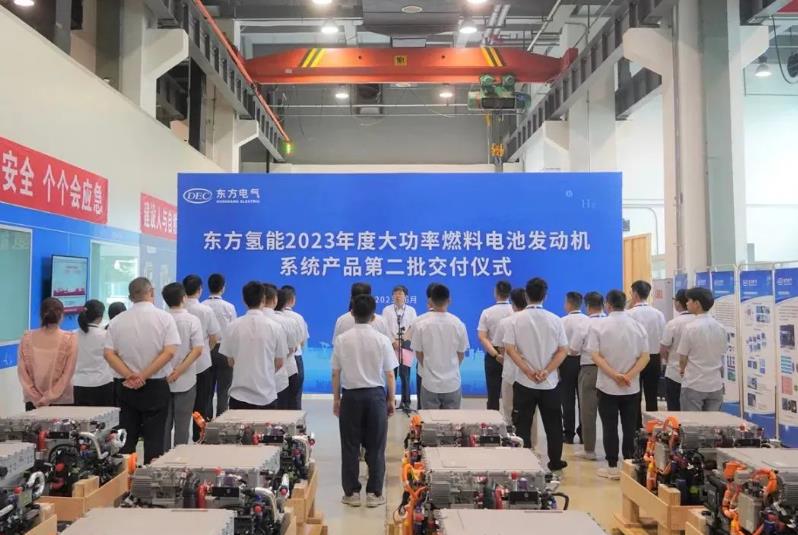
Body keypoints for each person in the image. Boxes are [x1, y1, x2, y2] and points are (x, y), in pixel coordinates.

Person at [104, 277, 180, 463]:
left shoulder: (117, 321)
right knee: (155, 440)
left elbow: (108, 353)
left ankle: (125, 477)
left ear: (130, 297)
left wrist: (130, 376)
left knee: (125, 440)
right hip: (156, 386)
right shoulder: (164, 318)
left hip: (126, 386)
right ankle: (150, 477)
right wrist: (144, 376)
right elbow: (169, 352)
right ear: (151, 292)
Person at [332, 294, 397, 508]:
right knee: (376, 446)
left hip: (350, 397)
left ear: (352, 313)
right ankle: (374, 494)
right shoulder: (382, 340)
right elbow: (390, 374)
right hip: (375, 396)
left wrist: (336, 399)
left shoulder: (342, 339)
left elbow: (335, 372)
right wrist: (390, 400)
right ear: (373, 315)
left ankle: (351, 493)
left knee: (350, 446)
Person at [503, 277, 568, 472]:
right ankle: (555, 461)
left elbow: (510, 349)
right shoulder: (555, 320)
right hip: (550, 382)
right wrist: (547, 371)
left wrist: (527, 371)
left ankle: (525, 462)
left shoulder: (514, 320)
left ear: (526, 295)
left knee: (522, 424)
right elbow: (563, 350)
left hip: (524, 381)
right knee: (554, 424)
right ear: (545, 296)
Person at [586, 289, 649, 480]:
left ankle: (612, 466)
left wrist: (614, 375)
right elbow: (645, 357)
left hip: (607, 386)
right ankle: (629, 465)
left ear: (608, 304)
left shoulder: (599, 326)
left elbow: (595, 355)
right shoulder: (638, 326)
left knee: (609, 427)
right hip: (631, 386)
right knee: (630, 427)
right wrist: (628, 375)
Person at [219, 281, 288, 410]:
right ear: (263, 299)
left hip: (239, 395)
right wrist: (264, 370)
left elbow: (230, 361)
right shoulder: (275, 327)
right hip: (266, 394)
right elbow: (279, 362)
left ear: (244, 300)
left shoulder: (232, 326)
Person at [493, 288, 539, 450]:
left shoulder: (506, 322)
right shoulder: (538, 322)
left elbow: (501, 348)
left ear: (512, 304)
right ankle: (532, 447)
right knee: (531, 413)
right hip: (532, 374)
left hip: (510, 373)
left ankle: (512, 447)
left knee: (508, 412)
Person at [411, 284, 468, 410]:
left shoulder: (421, 325)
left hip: (429, 382)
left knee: (430, 420)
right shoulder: (458, 324)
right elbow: (461, 353)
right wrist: (452, 368)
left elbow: (418, 353)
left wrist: (428, 367)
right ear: (449, 300)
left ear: (431, 301)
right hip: (452, 382)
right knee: (452, 420)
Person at [162, 282, 203, 449]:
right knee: (183, 426)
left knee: (163, 426)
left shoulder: (161, 319)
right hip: (186, 379)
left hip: (162, 378)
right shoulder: (192, 320)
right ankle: (179, 458)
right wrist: (178, 371)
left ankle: (162, 458)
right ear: (184, 298)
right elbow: (197, 350)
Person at [18, 298, 78, 410]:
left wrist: (36, 397)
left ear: (41, 315)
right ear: (61, 316)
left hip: (33, 402)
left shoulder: (26, 338)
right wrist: (49, 397)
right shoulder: (70, 339)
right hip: (61, 400)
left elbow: (23, 373)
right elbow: (67, 373)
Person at [183, 275, 221, 441]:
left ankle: (179, 439)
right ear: (199, 290)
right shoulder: (205, 310)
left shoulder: (177, 310)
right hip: (202, 362)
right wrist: (207, 349)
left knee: (180, 404)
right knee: (202, 402)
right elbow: (214, 336)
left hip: (180, 364)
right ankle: (198, 437)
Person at [568, 291, 604, 460]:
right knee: (610, 413)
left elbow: (574, 349)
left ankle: (590, 450)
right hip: (610, 371)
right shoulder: (609, 322)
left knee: (588, 411)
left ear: (587, 306)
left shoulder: (585, 324)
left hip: (589, 369)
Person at [677, 287, 727, 411]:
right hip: (715, 385)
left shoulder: (690, 328)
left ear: (697, 304)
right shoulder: (720, 327)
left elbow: (683, 357)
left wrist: (682, 370)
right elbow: (722, 352)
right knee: (712, 422)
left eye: (689, 300)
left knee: (692, 422)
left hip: (694, 383)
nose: (686, 303)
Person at [628, 280, 666, 428]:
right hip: (654, 358)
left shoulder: (629, 314)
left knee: (634, 396)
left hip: (635, 359)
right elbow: (662, 337)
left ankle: (636, 428)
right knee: (652, 396)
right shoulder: (658, 314)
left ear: (635, 294)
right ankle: (653, 429)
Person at [202, 273, 237, 416]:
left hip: (207, 349)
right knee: (224, 390)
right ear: (223, 288)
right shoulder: (229, 307)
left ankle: (206, 422)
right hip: (224, 350)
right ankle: (221, 421)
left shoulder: (202, 306)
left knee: (207, 390)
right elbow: (233, 331)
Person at [477, 280, 513, 411]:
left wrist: (496, 355)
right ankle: (513, 421)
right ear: (509, 293)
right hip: (514, 355)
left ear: (495, 293)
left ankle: (493, 421)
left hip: (494, 355)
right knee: (514, 394)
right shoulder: (515, 312)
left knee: (493, 395)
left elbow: (482, 337)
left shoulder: (487, 312)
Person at [263, 283, 300, 410]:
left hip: (257, 377)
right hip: (284, 372)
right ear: (275, 300)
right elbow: (292, 348)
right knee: (286, 411)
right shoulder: (288, 322)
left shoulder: (243, 322)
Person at [382, 285, 417, 411]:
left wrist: (402, 340)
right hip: (390, 344)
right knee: (391, 374)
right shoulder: (387, 310)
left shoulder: (411, 310)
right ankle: (389, 401)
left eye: (400, 293)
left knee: (405, 375)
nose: (397, 296)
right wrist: (393, 341)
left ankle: (406, 402)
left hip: (406, 344)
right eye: (395, 293)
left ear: (406, 296)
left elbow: (413, 327)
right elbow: (384, 327)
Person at [73, 299, 114, 406]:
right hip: (102, 383)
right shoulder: (106, 335)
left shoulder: (72, 335)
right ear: (100, 317)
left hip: (77, 384)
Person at [407, 283, 440, 410]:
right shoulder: (456, 322)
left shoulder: (418, 320)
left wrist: (425, 364)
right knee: (448, 412)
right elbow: (461, 352)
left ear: (428, 301)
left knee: (424, 409)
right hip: (448, 373)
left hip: (424, 369)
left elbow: (413, 344)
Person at [560, 291, 587, 444]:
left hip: (567, 361)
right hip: (583, 361)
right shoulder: (587, 320)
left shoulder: (562, 321)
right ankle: (584, 432)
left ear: (569, 304)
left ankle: (568, 433)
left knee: (567, 399)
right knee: (584, 399)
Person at [660, 290, 694, 411]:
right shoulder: (699, 322)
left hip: (675, 373)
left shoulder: (673, 323)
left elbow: (663, 348)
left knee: (675, 408)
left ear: (678, 303)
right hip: (697, 375)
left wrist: (668, 360)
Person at [281, 285, 309, 410]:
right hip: (295, 359)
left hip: (275, 360)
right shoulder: (298, 318)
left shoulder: (274, 317)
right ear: (293, 299)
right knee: (295, 397)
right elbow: (302, 341)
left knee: (279, 397)